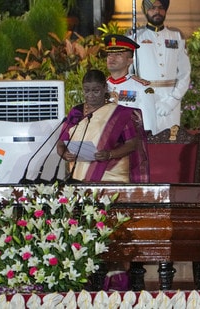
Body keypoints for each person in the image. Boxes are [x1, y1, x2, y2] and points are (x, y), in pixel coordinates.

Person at [56, 69, 150, 183]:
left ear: (105, 88)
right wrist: (65, 154)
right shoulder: (76, 112)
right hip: (79, 176)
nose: (90, 95)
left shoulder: (119, 114)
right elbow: (61, 142)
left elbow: (132, 144)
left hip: (111, 176)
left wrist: (110, 154)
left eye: (96, 91)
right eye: (86, 90)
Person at [126, 0, 191, 133]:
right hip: (144, 100)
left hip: (171, 100)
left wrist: (173, 100)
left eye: (161, 8)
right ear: (145, 10)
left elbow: (185, 73)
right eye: (152, 8)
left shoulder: (176, 36)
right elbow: (128, 74)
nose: (157, 11)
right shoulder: (135, 37)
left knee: (170, 142)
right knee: (146, 143)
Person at [104, 34, 160, 135]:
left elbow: (149, 127)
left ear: (130, 60)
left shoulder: (142, 89)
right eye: (109, 54)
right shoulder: (100, 87)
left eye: (118, 54)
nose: (112, 58)